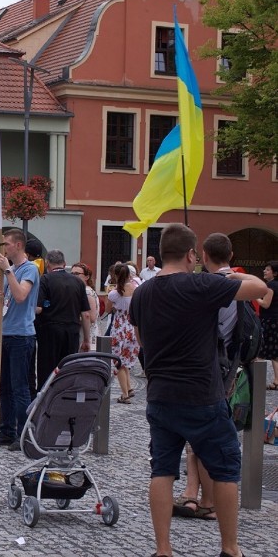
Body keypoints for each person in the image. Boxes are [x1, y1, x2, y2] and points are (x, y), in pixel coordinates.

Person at [130, 223, 266, 557]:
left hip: (161, 395)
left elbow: (141, 340)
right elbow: (259, 287)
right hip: (202, 394)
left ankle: (163, 549)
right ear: (193, 254)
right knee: (225, 468)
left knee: (162, 469)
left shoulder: (143, 292)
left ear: (162, 253)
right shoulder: (201, 285)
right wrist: (227, 275)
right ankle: (230, 548)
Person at [172, 233, 245, 521]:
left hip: (210, 365)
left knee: (203, 437)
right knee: (197, 436)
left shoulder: (212, 286)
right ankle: (193, 495)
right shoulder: (239, 283)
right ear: (231, 253)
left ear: (202, 253)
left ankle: (208, 501)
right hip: (228, 362)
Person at [0, 230, 40, 449]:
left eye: (6, 244)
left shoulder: (29, 270)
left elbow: (21, 295)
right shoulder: (12, 271)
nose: (3, 247)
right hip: (5, 333)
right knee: (3, 386)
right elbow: (3, 300)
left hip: (21, 335)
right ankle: (6, 429)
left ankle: (23, 435)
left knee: (19, 387)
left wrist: (7, 271)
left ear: (17, 245)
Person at [34, 249, 91, 389]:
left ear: (48, 265)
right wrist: (86, 339)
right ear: (64, 263)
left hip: (49, 331)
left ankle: (45, 401)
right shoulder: (78, 282)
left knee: (47, 370)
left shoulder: (45, 280)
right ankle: (65, 399)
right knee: (68, 369)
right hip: (71, 331)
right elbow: (86, 314)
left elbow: (38, 308)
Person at [106, 263, 140, 403]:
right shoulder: (136, 288)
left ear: (116, 275)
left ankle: (124, 394)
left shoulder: (114, 293)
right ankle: (130, 388)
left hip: (120, 327)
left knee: (118, 361)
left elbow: (108, 310)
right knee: (125, 360)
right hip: (132, 326)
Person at [71, 262, 100, 350]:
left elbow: (91, 317)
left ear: (86, 277)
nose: (73, 276)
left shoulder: (87, 291)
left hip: (87, 334)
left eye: (77, 274)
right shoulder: (81, 290)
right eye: (72, 273)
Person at [258, 261, 278, 390]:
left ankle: (258, 382)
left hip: (269, 322)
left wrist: (254, 296)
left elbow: (265, 304)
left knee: (261, 351)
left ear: (275, 273)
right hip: (276, 320)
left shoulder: (270, 286)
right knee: (275, 352)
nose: (265, 271)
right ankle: (276, 380)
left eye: (268, 269)